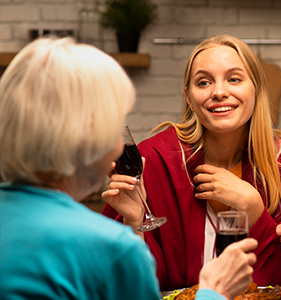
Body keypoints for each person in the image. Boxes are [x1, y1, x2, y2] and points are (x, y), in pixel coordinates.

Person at [0, 37, 258, 300]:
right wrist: (212, 294)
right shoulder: (109, 248)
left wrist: (134, 223)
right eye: (115, 123)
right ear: (88, 136)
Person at [101, 34, 281, 291]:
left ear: (256, 89)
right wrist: (134, 225)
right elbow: (123, 282)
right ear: (189, 97)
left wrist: (253, 207)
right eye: (204, 82)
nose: (220, 92)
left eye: (234, 79)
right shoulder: (154, 158)